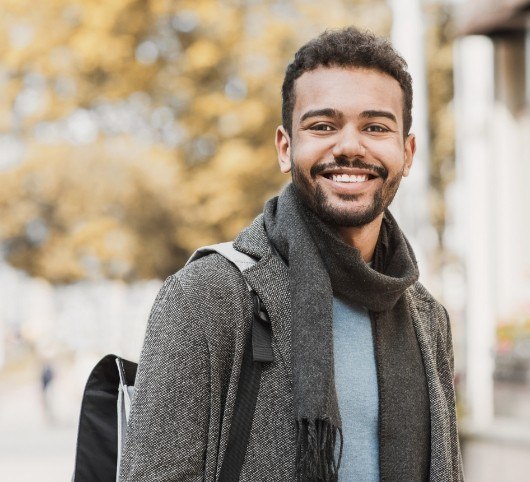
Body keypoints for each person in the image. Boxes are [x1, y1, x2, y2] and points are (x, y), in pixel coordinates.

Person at [120, 27, 463, 481]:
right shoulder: (205, 298)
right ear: (286, 147)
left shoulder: (426, 317)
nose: (349, 146)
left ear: (408, 151)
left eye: (375, 127)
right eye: (323, 126)